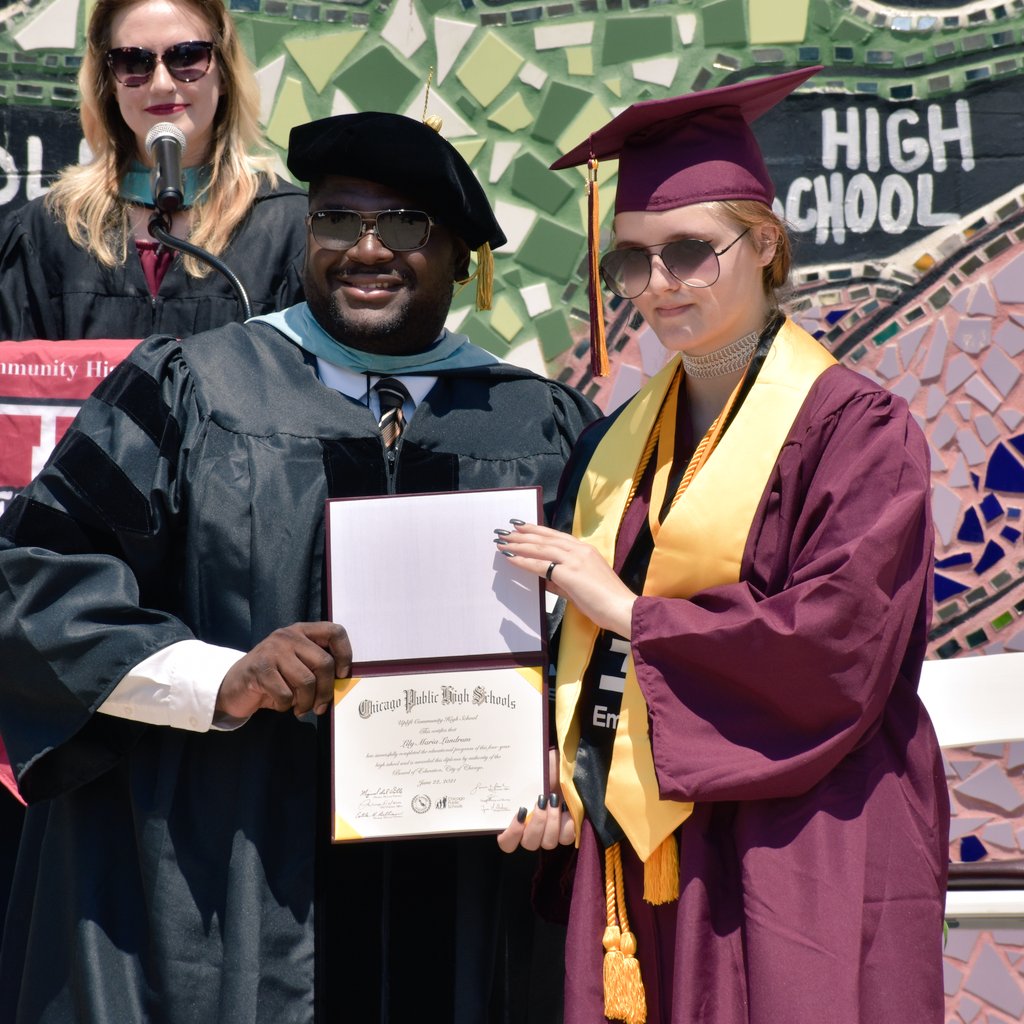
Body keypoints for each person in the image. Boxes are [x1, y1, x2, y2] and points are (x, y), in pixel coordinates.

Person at [0, 111, 599, 1023]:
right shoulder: (193, 390)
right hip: (232, 884)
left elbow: (606, 646)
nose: (367, 249)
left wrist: (568, 775)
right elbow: (32, 577)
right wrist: (223, 677)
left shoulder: (540, 425)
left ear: (466, 258)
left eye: (405, 225)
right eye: (336, 220)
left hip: (470, 888)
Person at [496, 67, 949, 1024]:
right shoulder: (615, 443)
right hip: (639, 839)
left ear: (766, 245)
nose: (656, 287)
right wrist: (546, 764)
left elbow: (837, 642)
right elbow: (580, 656)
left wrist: (626, 610)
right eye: (632, 260)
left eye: (691, 252)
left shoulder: (856, 430)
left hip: (796, 829)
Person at [0, 0, 307, 340]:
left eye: (187, 57)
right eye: (133, 61)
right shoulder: (50, 230)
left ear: (224, 73)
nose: (161, 84)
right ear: (110, 84)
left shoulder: (290, 229)